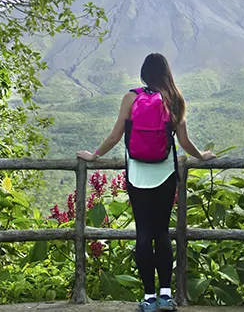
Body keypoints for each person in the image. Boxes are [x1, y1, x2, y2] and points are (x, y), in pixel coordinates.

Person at [77, 53, 215, 311]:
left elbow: (116, 135)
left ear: (143, 73)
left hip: (137, 173)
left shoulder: (131, 97)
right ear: (167, 73)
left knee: (143, 234)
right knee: (162, 234)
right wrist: (202, 156)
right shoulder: (174, 98)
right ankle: (166, 295)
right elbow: (184, 142)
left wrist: (94, 155)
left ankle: (149, 299)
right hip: (164, 173)